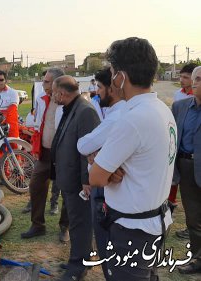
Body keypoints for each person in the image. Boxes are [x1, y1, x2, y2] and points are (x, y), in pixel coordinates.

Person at [90, 37, 176, 280]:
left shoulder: (132, 119)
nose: (111, 78)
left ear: (121, 77)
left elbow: (96, 176)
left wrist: (103, 166)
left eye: (113, 72)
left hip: (132, 231)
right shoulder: (161, 109)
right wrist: (108, 165)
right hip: (154, 221)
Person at [76, 67, 125, 280]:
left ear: (113, 88)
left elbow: (83, 145)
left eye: (100, 87)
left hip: (107, 192)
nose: (96, 91)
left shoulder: (117, 117)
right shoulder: (121, 113)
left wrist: (97, 154)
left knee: (108, 250)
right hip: (112, 190)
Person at [50, 75, 100, 281]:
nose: (51, 95)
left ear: (61, 93)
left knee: (80, 224)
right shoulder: (72, 108)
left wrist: (86, 181)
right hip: (69, 178)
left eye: (53, 92)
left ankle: (78, 267)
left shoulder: (85, 111)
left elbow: (88, 151)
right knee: (78, 222)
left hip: (80, 182)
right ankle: (79, 258)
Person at [20, 68, 69, 243]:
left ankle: (65, 227)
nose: (43, 84)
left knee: (67, 191)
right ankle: (38, 225)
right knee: (36, 185)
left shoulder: (69, 101)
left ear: (57, 83)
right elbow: (41, 124)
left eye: (47, 82)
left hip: (64, 154)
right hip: (45, 152)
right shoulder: (42, 98)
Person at [172, 65, 201, 275]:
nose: (197, 82)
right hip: (187, 167)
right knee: (193, 218)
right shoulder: (179, 107)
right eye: (196, 79)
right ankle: (198, 259)